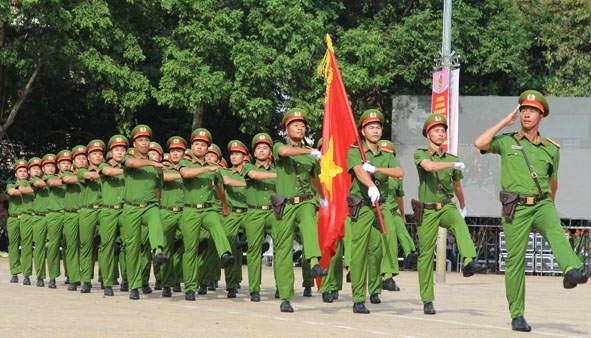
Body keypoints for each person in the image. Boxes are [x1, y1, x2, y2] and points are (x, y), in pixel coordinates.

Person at [473, 90, 588, 332]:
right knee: (515, 260)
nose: (527, 114)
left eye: (532, 111)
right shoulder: (507, 141)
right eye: (523, 109)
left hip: (543, 202)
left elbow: (553, 181)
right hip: (516, 207)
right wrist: (505, 122)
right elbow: (480, 143)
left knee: (557, 231)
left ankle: (571, 271)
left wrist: (549, 209)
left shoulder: (551, 149)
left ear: (541, 116)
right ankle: (517, 315)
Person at [414, 113, 485, 315]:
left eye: (443, 130)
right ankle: (427, 299)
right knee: (426, 255)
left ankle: (469, 261)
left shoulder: (452, 158)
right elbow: (429, 167)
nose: (440, 134)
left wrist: (463, 207)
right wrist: (452, 165)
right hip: (427, 209)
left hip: (445, 205)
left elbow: (457, 187)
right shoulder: (421, 154)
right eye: (436, 130)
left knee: (459, 223)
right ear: (428, 134)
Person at [346, 109, 404, 314]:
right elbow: (358, 170)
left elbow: (399, 173)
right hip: (362, 206)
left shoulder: (386, 154)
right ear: (363, 131)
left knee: (378, 249)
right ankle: (358, 298)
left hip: (381, 206)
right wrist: (370, 185)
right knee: (359, 251)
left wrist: (377, 170)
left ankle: (376, 288)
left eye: (378, 127)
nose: (375, 130)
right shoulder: (355, 151)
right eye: (371, 127)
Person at [273, 107, 328, 313]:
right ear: (287, 129)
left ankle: (314, 262)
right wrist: (309, 151)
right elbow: (284, 152)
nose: (300, 128)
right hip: (284, 204)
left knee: (309, 224)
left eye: (303, 125)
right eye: (295, 125)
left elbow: (314, 179)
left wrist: (323, 198)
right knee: (283, 250)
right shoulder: (280, 145)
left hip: (305, 201)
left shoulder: (310, 155)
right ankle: (286, 296)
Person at [178, 127, 235, 301]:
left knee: (217, 226)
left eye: (203, 145)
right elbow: (185, 174)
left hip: (209, 208)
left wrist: (225, 205)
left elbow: (219, 187)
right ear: (192, 146)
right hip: (191, 209)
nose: (199, 147)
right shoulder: (186, 162)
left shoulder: (215, 168)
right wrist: (206, 170)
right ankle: (189, 287)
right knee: (190, 249)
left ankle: (225, 255)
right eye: (196, 144)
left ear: (207, 148)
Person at [120, 125, 167, 300]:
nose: (144, 143)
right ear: (135, 143)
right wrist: (152, 162)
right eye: (141, 140)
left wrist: (158, 203)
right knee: (132, 248)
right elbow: (131, 163)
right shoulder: (129, 158)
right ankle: (134, 286)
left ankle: (159, 251)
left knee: (155, 220)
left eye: (147, 140)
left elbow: (158, 189)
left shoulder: (157, 167)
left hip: (150, 205)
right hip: (131, 207)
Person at [97, 135, 128, 296]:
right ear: (111, 152)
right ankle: (107, 282)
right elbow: (108, 171)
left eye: (123, 150)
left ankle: (127, 280)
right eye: (117, 150)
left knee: (128, 246)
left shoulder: (132, 168)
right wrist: (129, 169)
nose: (120, 153)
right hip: (108, 211)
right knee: (107, 247)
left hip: (125, 210)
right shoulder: (104, 165)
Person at [159, 136, 188, 297]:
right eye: (172, 151)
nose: (175, 154)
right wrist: (184, 174)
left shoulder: (190, 167)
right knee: (166, 249)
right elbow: (164, 178)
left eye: (179, 151)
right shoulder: (163, 167)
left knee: (190, 247)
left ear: (184, 153)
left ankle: (185, 281)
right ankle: (167, 283)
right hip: (167, 211)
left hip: (185, 212)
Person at [77, 140, 105, 293]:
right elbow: (88, 176)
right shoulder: (82, 171)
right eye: (95, 154)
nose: (98, 157)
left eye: (100, 154)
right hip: (88, 210)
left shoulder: (108, 169)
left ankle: (105, 279)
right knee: (86, 245)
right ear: (88, 157)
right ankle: (86, 279)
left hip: (104, 210)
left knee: (106, 245)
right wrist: (104, 172)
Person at [61, 145, 88, 291]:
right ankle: (73, 277)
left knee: (85, 246)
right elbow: (68, 180)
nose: (82, 161)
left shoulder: (91, 174)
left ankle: (85, 277)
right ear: (73, 162)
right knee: (72, 247)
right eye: (79, 159)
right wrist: (84, 176)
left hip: (85, 213)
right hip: (71, 214)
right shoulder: (67, 174)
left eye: (84, 158)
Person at [45, 151, 71, 289]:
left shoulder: (74, 177)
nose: (66, 165)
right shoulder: (51, 178)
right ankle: (53, 276)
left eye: (68, 163)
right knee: (54, 246)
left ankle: (71, 274)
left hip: (68, 214)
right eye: (63, 163)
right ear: (58, 166)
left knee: (70, 246)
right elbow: (53, 183)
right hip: (54, 215)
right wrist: (66, 179)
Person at [6, 159, 28, 283]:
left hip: (26, 217)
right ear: (16, 174)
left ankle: (26, 272)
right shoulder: (11, 184)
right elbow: (11, 192)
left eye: (25, 171)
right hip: (14, 218)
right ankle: (15, 271)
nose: (23, 174)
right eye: (20, 171)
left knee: (26, 245)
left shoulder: (31, 184)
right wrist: (24, 189)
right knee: (13, 245)